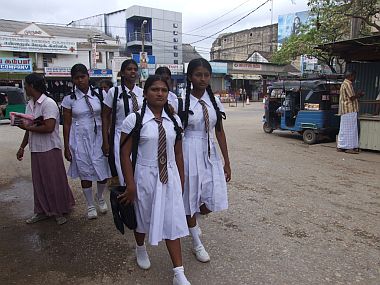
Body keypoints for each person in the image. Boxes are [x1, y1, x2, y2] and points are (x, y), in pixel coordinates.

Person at [119, 75, 190, 285]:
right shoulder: (134, 120)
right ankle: (140, 248)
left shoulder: (174, 120)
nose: (159, 93)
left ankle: (178, 272)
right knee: (142, 217)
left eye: (163, 90)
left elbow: (178, 154)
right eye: (154, 89)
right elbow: (124, 153)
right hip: (144, 175)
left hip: (169, 176)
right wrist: (130, 184)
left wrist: (182, 180)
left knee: (173, 222)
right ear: (146, 92)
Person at [181, 58, 231, 263]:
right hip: (188, 151)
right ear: (190, 77)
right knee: (190, 197)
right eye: (198, 75)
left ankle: (193, 221)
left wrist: (227, 161)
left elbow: (219, 131)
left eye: (206, 75)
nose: (203, 79)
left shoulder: (214, 101)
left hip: (210, 152)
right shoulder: (180, 100)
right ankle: (196, 242)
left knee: (212, 196)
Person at [16, 73, 75, 225]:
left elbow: (48, 127)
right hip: (36, 149)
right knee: (39, 182)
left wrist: (28, 127)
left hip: (49, 148)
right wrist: (22, 146)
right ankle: (41, 210)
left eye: (26, 85)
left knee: (53, 181)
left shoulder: (48, 103)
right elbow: (29, 128)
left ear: (32, 86)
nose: (25, 88)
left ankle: (59, 211)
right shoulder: (30, 104)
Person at [61, 64, 111, 219]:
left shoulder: (100, 95)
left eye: (83, 76)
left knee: (102, 170)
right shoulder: (69, 100)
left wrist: (106, 139)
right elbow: (67, 124)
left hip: (98, 137)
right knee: (85, 172)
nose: (80, 80)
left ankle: (100, 196)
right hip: (80, 138)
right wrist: (67, 146)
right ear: (73, 80)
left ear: (88, 76)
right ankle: (90, 205)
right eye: (77, 78)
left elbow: (106, 117)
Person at [102, 59, 143, 186]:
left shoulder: (142, 93)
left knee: (138, 169)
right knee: (123, 170)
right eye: (129, 69)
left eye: (135, 69)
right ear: (122, 73)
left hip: (140, 135)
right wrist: (106, 141)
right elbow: (105, 116)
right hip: (120, 135)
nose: (133, 72)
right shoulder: (113, 92)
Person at [337, 70, 364, 154]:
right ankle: (350, 147)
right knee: (351, 129)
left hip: (345, 110)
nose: (355, 78)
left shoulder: (344, 84)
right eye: (354, 76)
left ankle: (341, 146)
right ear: (351, 76)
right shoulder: (348, 84)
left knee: (344, 129)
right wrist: (359, 94)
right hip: (349, 109)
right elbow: (352, 97)